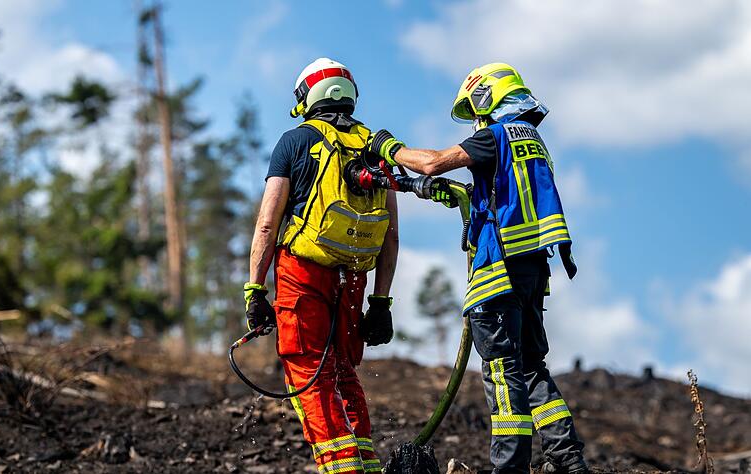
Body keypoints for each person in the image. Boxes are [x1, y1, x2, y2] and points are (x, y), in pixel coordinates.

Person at [368, 63, 587, 474]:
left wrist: (389, 148)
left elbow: (433, 163)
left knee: (503, 374)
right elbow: (506, 195)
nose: (478, 121)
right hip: (533, 271)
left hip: (498, 273)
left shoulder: (494, 136)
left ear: (488, 98)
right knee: (531, 368)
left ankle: (509, 468)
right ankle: (569, 461)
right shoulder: (533, 141)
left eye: (477, 110)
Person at [245, 57, 399, 474]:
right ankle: (365, 464)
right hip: (354, 277)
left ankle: (342, 470)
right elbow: (391, 236)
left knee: (309, 371)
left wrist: (254, 291)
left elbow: (266, 224)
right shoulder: (376, 145)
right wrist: (381, 302)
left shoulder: (294, 142)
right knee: (342, 371)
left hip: (302, 274)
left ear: (307, 96)